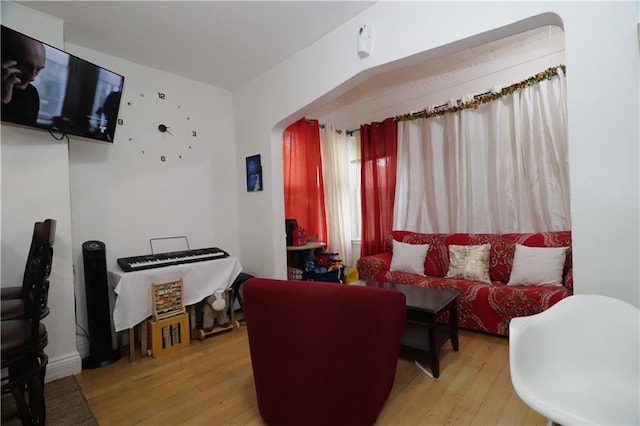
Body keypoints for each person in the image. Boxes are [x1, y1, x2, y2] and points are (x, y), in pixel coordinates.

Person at [1, 26, 46, 126]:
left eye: (38, 70)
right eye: (26, 66)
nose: (32, 77)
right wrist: (3, 99)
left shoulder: (31, 94)